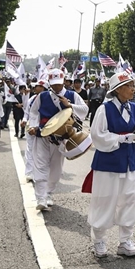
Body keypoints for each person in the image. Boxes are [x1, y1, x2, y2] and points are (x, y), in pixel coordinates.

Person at [87, 71, 135, 258]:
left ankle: (125, 241)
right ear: (118, 89)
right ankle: (99, 241)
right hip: (108, 163)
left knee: (131, 199)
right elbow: (97, 135)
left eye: (132, 85)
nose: (133, 89)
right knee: (104, 200)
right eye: (129, 86)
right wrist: (121, 138)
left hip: (130, 162)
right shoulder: (105, 109)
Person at [27, 69, 88, 211]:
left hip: (61, 139)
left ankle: (48, 193)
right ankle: (41, 198)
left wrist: (70, 105)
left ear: (64, 82)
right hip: (43, 135)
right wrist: (34, 126)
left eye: (59, 84)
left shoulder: (72, 95)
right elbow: (34, 111)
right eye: (54, 84)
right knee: (40, 165)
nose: (57, 87)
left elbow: (84, 110)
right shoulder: (42, 96)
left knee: (56, 169)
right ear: (49, 83)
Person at [22, 80, 47, 182]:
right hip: (31, 128)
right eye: (35, 86)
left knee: (41, 152)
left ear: (43, 88)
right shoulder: (32, 99)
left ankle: (40, 173)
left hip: (43, 129)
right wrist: (24, 120)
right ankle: (29, 173)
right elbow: (26, 112)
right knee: (30, 150)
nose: (35, 88)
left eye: (38, 86)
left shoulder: (48, 99)